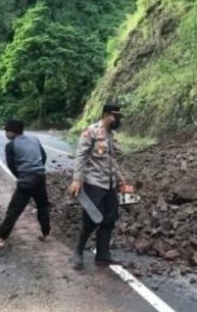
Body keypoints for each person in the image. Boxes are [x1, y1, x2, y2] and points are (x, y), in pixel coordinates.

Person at [68, 103, 134, 269]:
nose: (117, 120)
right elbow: (81, 156)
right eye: (115, 116)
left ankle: (103, 255)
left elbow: (112, 160)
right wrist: (77, 179)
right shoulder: (91, 132)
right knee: (91, 219)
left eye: (119, 117)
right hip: (94, 183)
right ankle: (78, 251)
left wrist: (121, 179)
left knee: (110, 219)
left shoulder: (111, 135)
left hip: (110, 184)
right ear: (105, 115)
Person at [0, 119, 50, 248]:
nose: (5, 133)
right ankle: (46, 234)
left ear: (12, 132)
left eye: (6, 131)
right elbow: (43, 156)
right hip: (40, 176)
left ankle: (0, 238)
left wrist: (21, 177)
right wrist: (37, 170)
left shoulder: (11, 145)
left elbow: (12, 166)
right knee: (43, 205)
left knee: (14, 210)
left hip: (27, 180)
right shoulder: (34, 139)